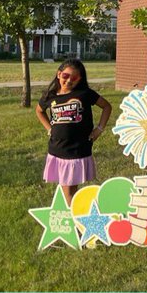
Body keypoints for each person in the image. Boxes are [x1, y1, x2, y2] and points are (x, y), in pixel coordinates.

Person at [35, 58, 112, 205]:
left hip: (78, 150)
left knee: (70, 190)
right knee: (68, 190)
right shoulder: (50, 96)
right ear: (59, 74)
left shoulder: (85, 93)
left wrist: (99, 129)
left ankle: (74, 219)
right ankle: (75, 217)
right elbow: (39, 111)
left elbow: (107, 107)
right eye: (65, 76)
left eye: (74, 78)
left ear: (80, 79)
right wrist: (49, 129)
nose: (69, 80)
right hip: (58, 149)